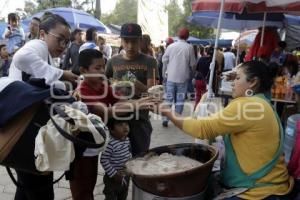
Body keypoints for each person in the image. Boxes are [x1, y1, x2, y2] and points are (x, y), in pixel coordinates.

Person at [152, 60, 294, 200]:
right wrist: (239, 77)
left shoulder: (247, 105)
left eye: (237, 78)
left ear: (253, 82)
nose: (232, 83)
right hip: (275, 184)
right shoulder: (262, 102)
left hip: (259, 191)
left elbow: (202, 129)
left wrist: (167, 112)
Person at [8, 12, 78, 200]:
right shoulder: (37, 45)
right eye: (60, 40)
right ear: (42, 34)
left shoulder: (46, 55)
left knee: (26, 187)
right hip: (26, 133)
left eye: (67, 42)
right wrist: (61, 73)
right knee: (40, 188)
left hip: (24, 130)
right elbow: (21, 58)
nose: (63, 47)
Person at [71, 48, 154, 200]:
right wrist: (137, 105)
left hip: (94, 143)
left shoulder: (101, 85)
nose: (103, 71)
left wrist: (141, 101)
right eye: (97, 68)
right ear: (83, 70)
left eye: (103, 66)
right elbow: (107, 111)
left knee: (90, 179)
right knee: (82, 184)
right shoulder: (82, 90)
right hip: (81, 146)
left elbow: (120, 100)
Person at [106, 23, 158, 156]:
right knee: (118, 161)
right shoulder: (113, 62)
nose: (130, 46)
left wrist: (134, 83)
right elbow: (104, 88)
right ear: (121, 41)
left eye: (134, 42)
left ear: (140, 41)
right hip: (117, 121)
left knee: (140, 159)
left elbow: (152, 95)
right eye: (126, 41)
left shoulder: (150, 62)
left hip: (140, 120)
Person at [162, 27, 197, 127]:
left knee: (169, 99)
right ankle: (177, 120)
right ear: (187, 36)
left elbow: (164, 61)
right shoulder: (189, 47)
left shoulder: (171, 46)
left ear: (178, 35)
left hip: (171, 77)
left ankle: (165, 119)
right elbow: (193, 64)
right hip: (183, 78)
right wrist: (192, 73)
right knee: (180, 99)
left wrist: (163, 74)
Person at [100, 118, 131, 200]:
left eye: (126, 124)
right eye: (120, 125)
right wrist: (114, 174)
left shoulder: (127, 139)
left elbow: (128, 153)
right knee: (111, 196)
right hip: (112, 178)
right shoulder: (110, 143)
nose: (125, 127)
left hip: (125, 175)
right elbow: (103, 160)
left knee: (123, 194)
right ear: (112, 130)